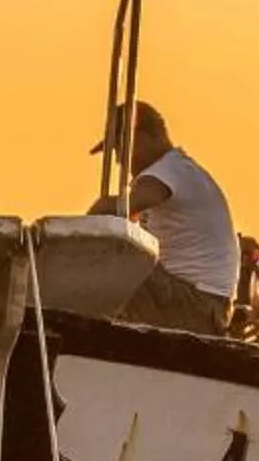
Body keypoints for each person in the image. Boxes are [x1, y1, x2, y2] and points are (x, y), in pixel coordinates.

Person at [94, 101, 239, 334]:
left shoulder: (168, 171)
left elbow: (125, 206)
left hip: (195, 304)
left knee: (112, 265)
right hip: (205, 307)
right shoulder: (181, 170)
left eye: (119, 148)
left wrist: (96, 212)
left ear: (140, 137)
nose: (119, 160)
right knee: (121, 256)